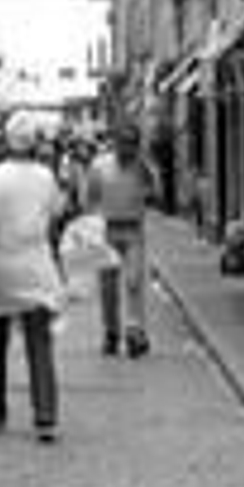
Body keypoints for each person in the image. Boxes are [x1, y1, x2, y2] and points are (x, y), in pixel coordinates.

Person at [0, 110, 66, 440]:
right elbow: (54, 220)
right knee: (40, 340)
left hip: (0, 264)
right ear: (35, 142)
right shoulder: (46, 176)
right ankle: (46, 417)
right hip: (35, 263)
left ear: (7, 141)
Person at [84, 121, 155, 358]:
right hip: (106, 231)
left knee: (134, 281)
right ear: (115, 144)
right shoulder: (100, 166)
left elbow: (156, 193)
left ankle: (134, 331)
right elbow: (90, 197)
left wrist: (146, 174)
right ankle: (111, 332)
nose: (128, 149)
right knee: (108, 288)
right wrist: (90, 226)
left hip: (133, 230)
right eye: (124, 144)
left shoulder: (141, 167)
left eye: (132, 145)